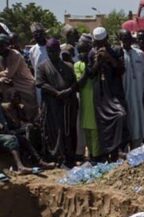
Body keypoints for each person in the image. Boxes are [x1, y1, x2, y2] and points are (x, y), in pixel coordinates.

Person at [35, 39, 78, 167]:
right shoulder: (42, 66)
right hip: (52, 105)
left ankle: (70, 157)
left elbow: (75, 83)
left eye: (54, 51)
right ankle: (59, 158)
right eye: (49, 51)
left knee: (69, 130)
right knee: (55, 131)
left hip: (68, 104)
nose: (51, 53)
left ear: (59, 50)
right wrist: (56, 93)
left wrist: (68, 91)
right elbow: (40, 83)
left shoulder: (68, 66)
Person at [89, 27, 129, 161]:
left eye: (102, 42)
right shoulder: (92, 53)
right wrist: (97, 62)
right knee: (103, 123)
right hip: (101, 93)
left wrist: (110, 58)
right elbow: (90, 74)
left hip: (115, 91)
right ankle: (107, 153)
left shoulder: (117, 50)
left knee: (121, 115)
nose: (100, 45)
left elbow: (121, 70)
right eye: (97, 43)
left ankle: (119, 149)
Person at [118, 29, 144, 149]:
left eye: (128, 38)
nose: (126, 41)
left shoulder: (139, 54)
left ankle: (136, 146)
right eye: (123, 38)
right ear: (120, 40)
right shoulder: (119, 54)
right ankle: (125, 148)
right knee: (127, 120)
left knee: (138, 119)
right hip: (125, 94)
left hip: (138, 93)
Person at [0, 34, 37, 120]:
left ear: (7, 45)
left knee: (30, 109)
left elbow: (8, 73)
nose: (0, 48)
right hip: (11, 84)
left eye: (2, 45)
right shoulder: (1, 57)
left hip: (24, 84)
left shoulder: (15, 55)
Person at [74, 37, 100, 160]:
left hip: (95, 100)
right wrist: (87, 67)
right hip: (85, 101)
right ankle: (90, 153)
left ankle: (96, 154)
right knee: (87, 129)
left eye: (84, 51)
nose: (82, 54)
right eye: (80, 52)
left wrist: (91, 65)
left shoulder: (95, 63)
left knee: (95, 129)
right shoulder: (78, 65)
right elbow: (80, 83)